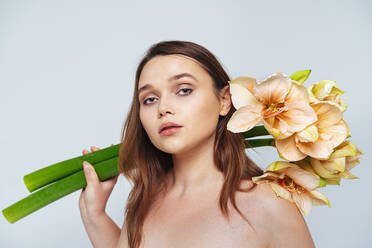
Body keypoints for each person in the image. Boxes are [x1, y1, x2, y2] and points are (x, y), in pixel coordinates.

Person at [79, 40, 316, 248]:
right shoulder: (144, 202)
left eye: (183, 90)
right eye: (150, 99)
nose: (163, 109)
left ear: (224, 100)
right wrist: (94, 214)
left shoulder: (270, 204)